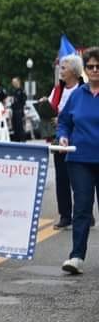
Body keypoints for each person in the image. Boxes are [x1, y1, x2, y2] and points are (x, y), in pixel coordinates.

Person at [56, 48, 99, 275]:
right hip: (79, 159)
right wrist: (62, 136)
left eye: (97, 67)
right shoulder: (77, 95)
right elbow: (64, 122)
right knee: (81, 209)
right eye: (90, 66)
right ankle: (76, 256)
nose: (94, 70)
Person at [50, 53, 85, 229]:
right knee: (61, 178)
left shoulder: (83, 90)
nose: (60, 71)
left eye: (63, 68)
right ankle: (65, 215)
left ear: (73, 71)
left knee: (80, 180)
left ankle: (84, 213)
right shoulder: (57, 89)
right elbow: (51, 109)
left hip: (78, 140)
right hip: (59, 138)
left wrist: (64, 118)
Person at [8, 77, 27, 142]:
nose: (13, 83)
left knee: (20, 127)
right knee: (14, 126)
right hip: (14, 110)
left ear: (18, 82)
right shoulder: (13, 91)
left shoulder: (21, 91)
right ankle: (16, 140)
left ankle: (22, 140)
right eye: (13, 82)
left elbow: (23, 101)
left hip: (19, 110)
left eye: (14, 82)